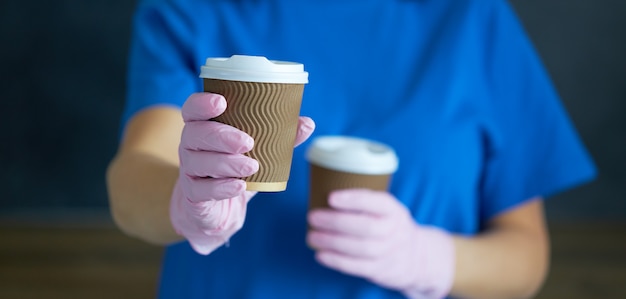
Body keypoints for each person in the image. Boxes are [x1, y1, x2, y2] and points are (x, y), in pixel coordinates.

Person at [106, 0, 596, 298]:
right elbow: (134, 179)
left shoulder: (472, 19)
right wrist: (185, 200)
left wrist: (430, 259)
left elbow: (525, 262)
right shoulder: (192, 12)